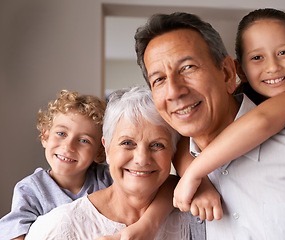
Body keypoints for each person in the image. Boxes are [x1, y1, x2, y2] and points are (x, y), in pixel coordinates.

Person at [135, 10, 285, 240]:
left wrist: (194, 171)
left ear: (227, 73)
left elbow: (263, 121)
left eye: (188, 67)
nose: (173, 91)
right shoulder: (182, 185)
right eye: (159, 79)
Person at [172, 8, 285, 215]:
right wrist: (203, 183)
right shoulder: (244, 107)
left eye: (283, 53)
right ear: (240, 70)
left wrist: (195, 173)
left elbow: (264, 120)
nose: (272, 67)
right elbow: (181, 142)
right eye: (257, 57)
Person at [25, 86, 205, 240]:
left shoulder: (197, 216)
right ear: (107, 149)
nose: (142, 159)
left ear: (173, 152)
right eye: (127, 143)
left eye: (157, 145)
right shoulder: (56, 228)